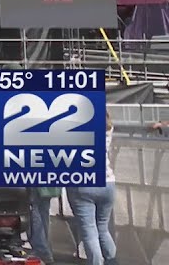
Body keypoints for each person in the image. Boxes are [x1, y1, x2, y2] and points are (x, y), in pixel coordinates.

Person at [66, 110, 117, 265]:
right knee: (102, 228)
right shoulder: (108, 129)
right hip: (107, 182)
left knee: (89, 232)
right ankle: (112, 261)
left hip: (83, 184)